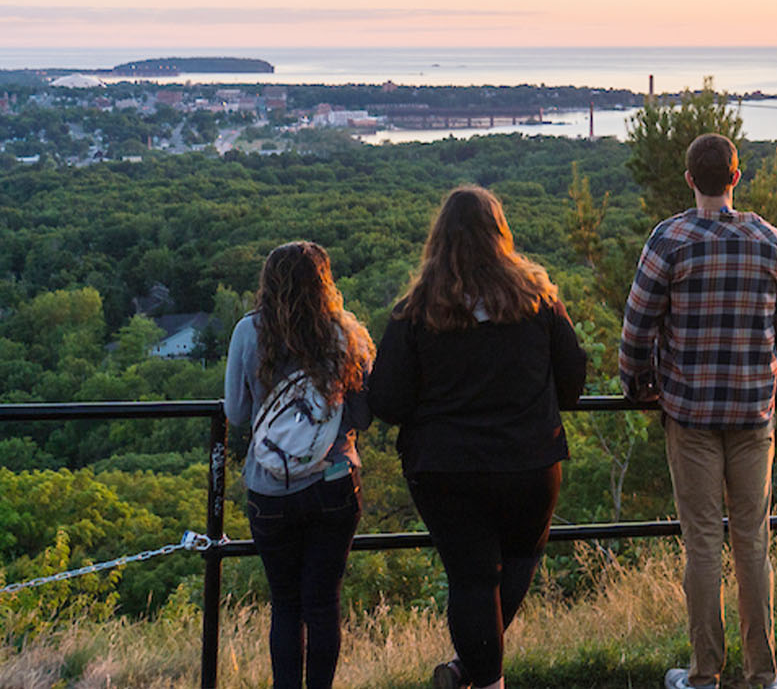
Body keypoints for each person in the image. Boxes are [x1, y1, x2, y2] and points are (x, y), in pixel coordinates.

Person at [369, 186, 588, 689]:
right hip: (529, 461)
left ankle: (479, 675)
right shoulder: (539, 299)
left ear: (439, 238)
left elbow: (387, 401)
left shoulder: (417, 309)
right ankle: (475, 671)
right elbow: (573, 380)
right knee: (519, 561)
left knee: (471, 579)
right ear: (501, 233)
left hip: (446, 469)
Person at [621, 133, 777, 689]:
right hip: (752, 416)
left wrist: (641, 387)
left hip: (691, 415)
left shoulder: (668, 241)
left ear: (689, 179)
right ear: (735, 177)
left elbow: (636, 329)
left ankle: (703, 675)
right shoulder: (773, 243)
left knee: (701, 541)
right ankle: (763, 674)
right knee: (752, 541)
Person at [225, 241, 376, 689]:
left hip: (269, 490)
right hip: (334, 484)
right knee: (323, 604)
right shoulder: (346, 334)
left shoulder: (247, 333)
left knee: (286, 604)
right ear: (325, 282)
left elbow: (235, 413)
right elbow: (365, 416)